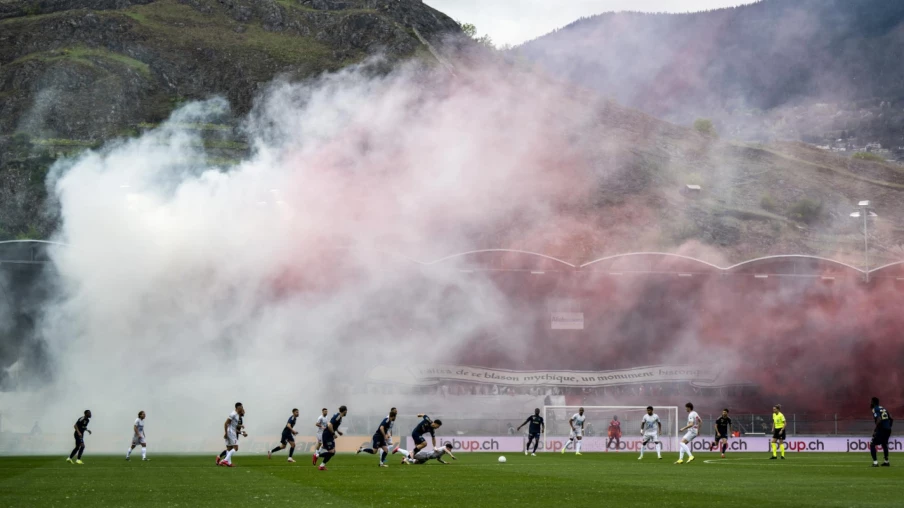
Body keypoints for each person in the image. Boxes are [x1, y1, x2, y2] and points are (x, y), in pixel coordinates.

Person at [314, 405, 347, 470]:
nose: (346, 412)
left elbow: (333, 425)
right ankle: (316, 455)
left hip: (329, 435)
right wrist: (333, 433)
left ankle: (322, 466)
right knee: (331, 452)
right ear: (345, 411)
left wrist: (338, 431)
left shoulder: (339, 416)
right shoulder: (338, 416)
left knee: (333, 452)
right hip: (327, 434)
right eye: (346, 411)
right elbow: (329, 425)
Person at [217, 402, 246, 467]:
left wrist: (240, 425)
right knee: (236, 448)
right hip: (231, 432)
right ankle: (224, 460)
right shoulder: (233, 414)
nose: (242, 408)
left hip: (231, 431)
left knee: (229, 448)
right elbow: (226, 423)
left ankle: (229, 463)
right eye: (241, 407)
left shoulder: (237, 415)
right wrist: (226, 433)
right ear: (238, 407)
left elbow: (233, 424)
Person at [870, 397, 893, 467]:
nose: (870, 403)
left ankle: (875, 463)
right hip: (888, 429)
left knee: (872, 444)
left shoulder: (875, 409)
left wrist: (875, 430)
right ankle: (886, 461)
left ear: (873, 402)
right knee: (884, 444)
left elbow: (879, 419)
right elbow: (891, 418)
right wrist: (889, 427)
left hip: (882, 429)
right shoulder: (883, 408)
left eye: (871, 402)